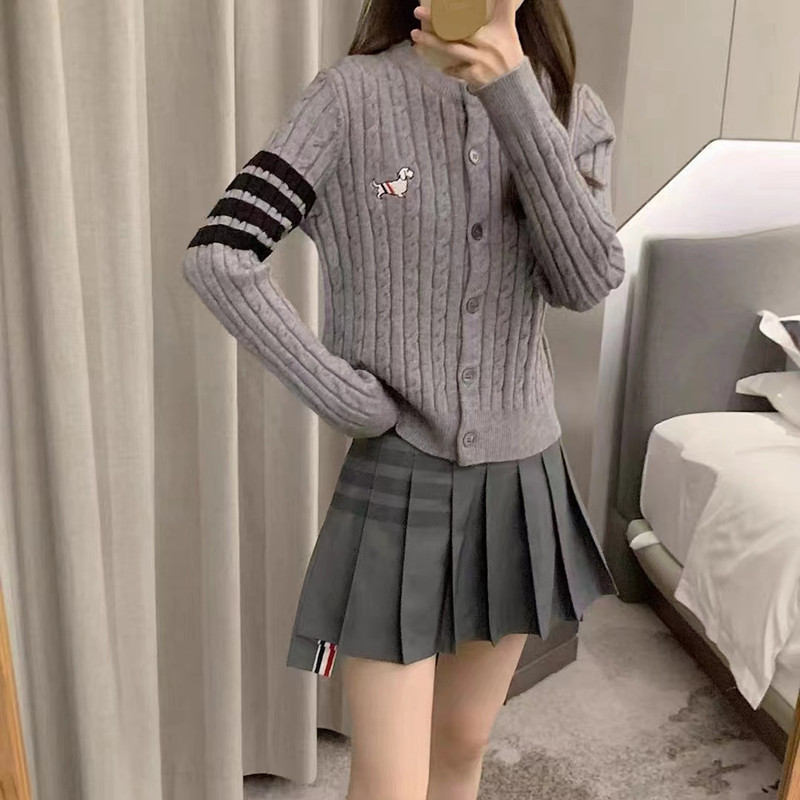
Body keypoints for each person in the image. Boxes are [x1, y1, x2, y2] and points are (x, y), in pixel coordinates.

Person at [181, 0, 624, 797]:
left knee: (462, 744)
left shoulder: (567, 106)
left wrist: (515, 94)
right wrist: (344, 398)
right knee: (389, 782)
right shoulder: (349, 98)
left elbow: (586, 281)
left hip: (520, 480)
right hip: (398, 478)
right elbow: (221, 254)